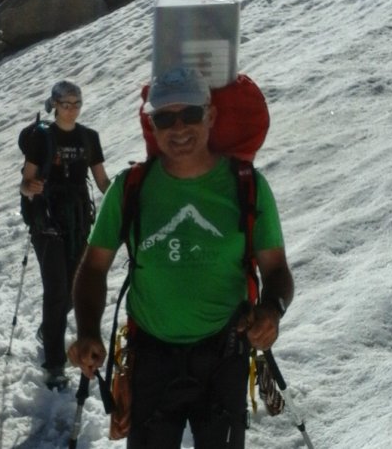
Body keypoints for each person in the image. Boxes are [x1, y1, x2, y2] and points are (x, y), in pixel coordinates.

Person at [68, 66, 294, 448]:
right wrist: (88, 330)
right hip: (151, 355)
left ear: (211, 116)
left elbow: (276, 270)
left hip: (226, 352)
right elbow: (93, 267)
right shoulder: (129, 189)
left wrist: (271, 309)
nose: (179, 127)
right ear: (152, 125)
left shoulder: (248, 186)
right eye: (164, 118)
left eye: (190, 113)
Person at [20, 80, 110, 390]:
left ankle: (50, 327)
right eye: (66, 103)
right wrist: (30, 189)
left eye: (77, 103)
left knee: (73, 290)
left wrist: (127, 195)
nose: (72, 109)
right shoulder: (41, 138)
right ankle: (55, 365)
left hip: (79, 222)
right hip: (47, 222)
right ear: (54, 105)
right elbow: (26, 181)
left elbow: (102, 182)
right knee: (57, 289)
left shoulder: (89, 138)